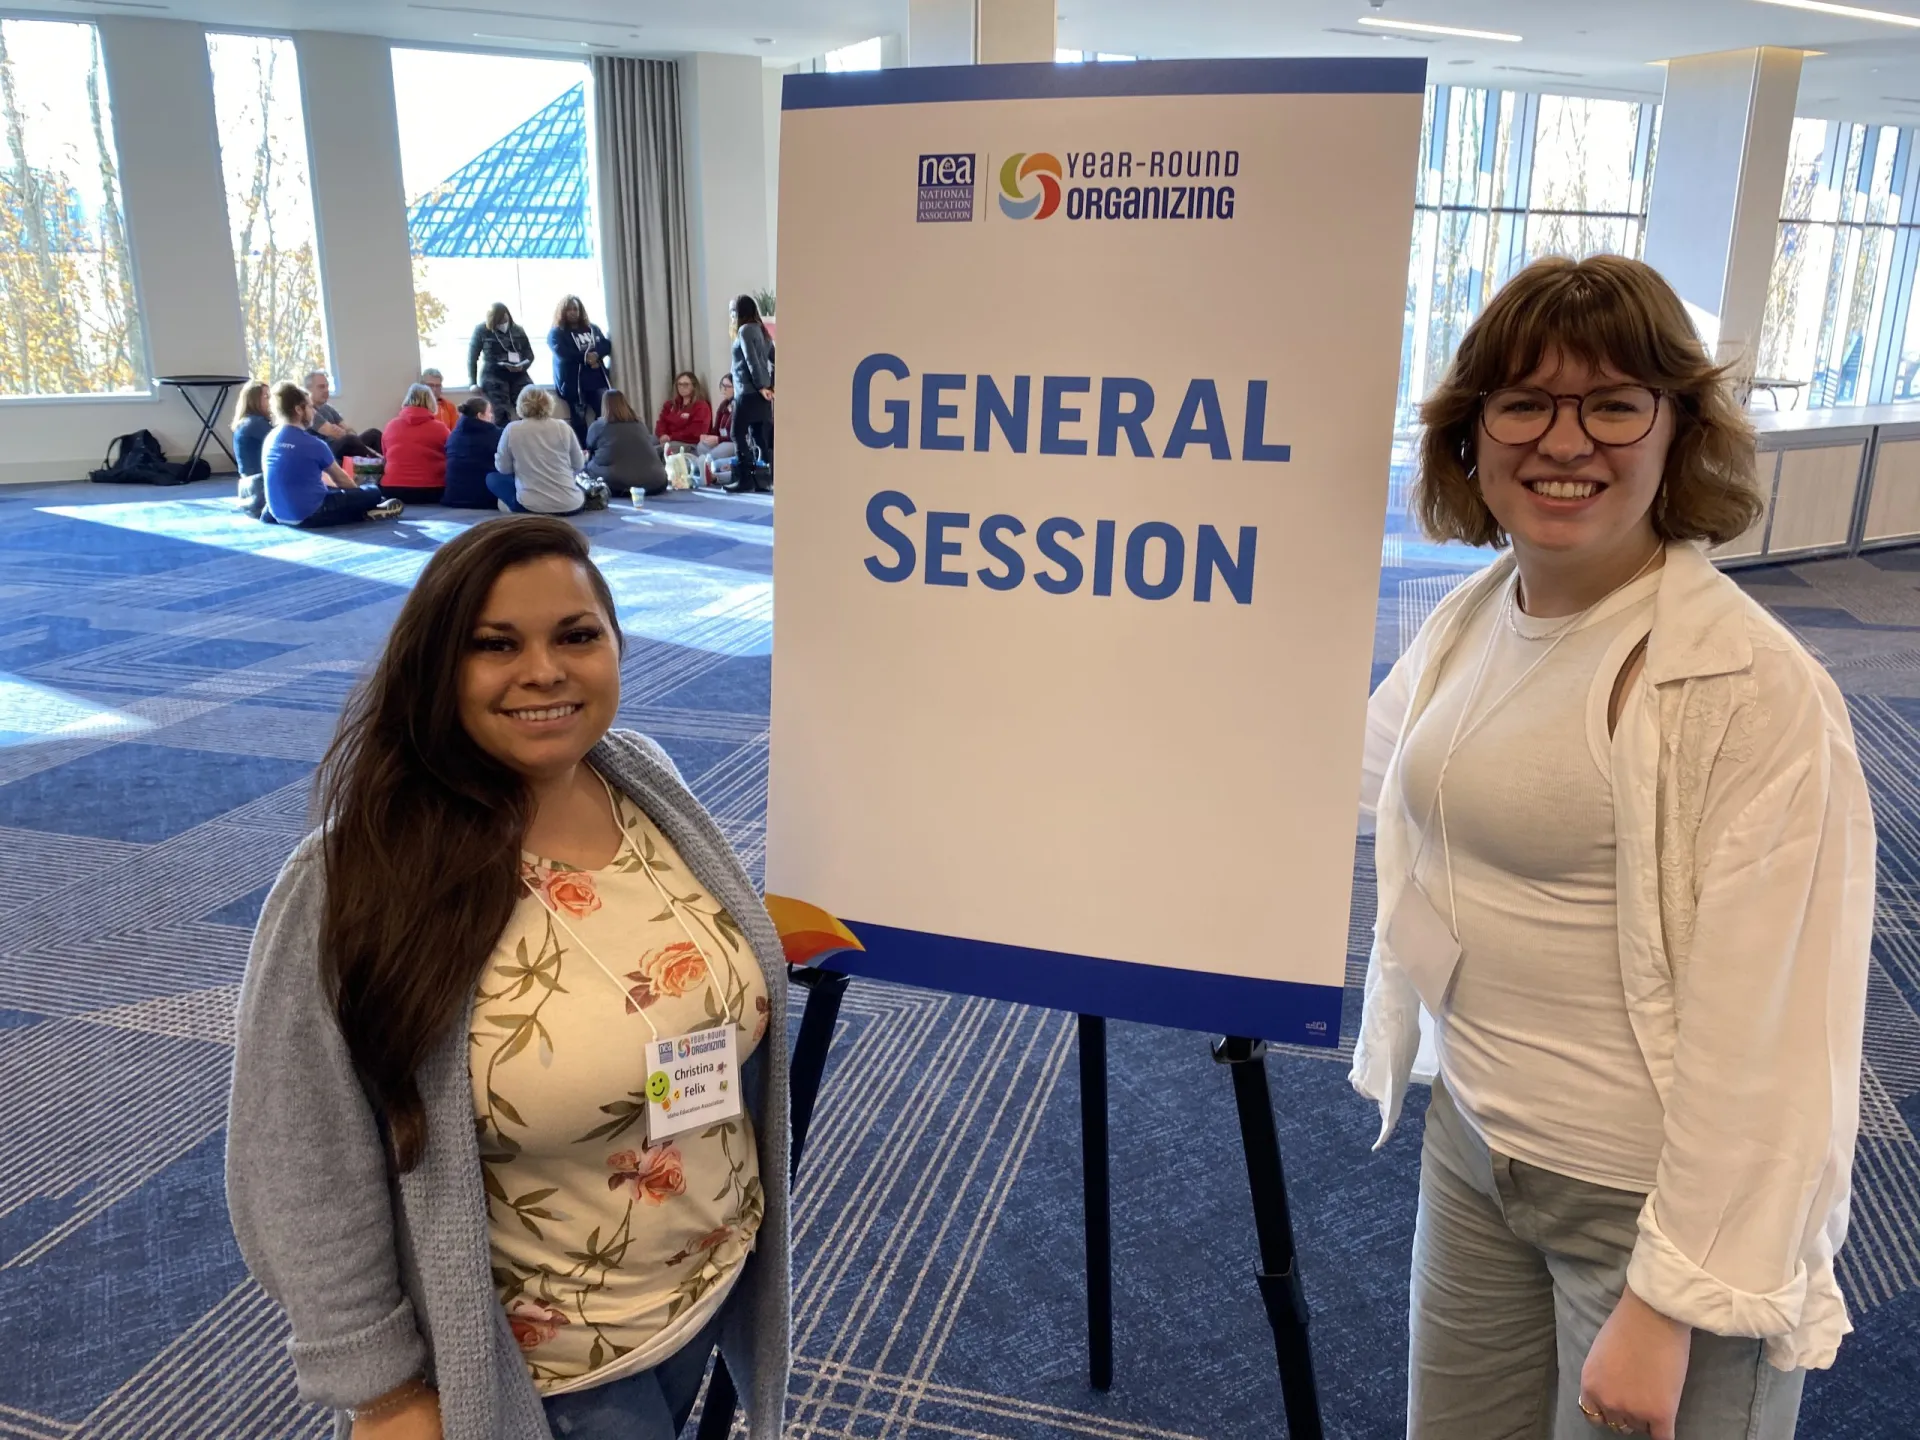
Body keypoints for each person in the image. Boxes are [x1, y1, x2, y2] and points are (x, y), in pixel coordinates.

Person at [1352, 254, 1874, 1440]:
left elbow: (1781, 1041)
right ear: (1470, 435)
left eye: (1613, 403)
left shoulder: (1749, 690)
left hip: (1654, 1207)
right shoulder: (1483, 609)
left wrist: (1671, 1297)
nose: (1564, 440)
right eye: (1524, 402)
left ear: (1677, 430)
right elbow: (1372, 777)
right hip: (1480, 1147)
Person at [226, 517, 791, 1440]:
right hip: (547, 1370)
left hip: (701, 1292)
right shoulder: (355, 877)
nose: (545, 671)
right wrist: (384, 1390)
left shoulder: (638, 778)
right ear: (436, 668)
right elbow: (298, 1157)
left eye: (576, 635)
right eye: (496, 646)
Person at [263, 382, 403, 527]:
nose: (314, 412)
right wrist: (360, 497)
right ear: (299, 409)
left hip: (277, 514)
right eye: (310, 407)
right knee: (372, 492)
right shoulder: (313, 444)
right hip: (310, 515)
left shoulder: (270, 439)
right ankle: (367, 510)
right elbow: (343, 481)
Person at [492, 386, 588, 515]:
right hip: (571, 505)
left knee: (492, 478)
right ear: (549, 404)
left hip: (531, 506)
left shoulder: (512, 429)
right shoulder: (563, 427)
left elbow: (503, 469)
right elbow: (578, 465)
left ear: (520, 405)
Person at [586, 389, 669, 501]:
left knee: (588, 466)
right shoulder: (640, 424)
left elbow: (589, 448)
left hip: (618, 484)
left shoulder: (598, 426)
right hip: (657, 481)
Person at [549, 295, 613, 440]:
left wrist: (596, 354)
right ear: (563, 311)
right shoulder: (556, 333)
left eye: (576, 309)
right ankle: (584, 451)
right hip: (574, 385)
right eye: (569, 309)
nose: (573, 312)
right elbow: (563, 353)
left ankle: (601, 446)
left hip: (596, 381)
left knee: (605, 414)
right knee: (579, 420)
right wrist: (585, 358)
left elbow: (606, 345)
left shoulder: (592, 328)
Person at [727, 296, 773, 493]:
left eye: (732, 311)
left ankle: (745, 479)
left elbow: (751, 360)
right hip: (761, 395)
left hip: (747, 392)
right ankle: (762, 481)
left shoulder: (745, 330)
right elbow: (777, 358)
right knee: (758, 436)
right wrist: (772, 386)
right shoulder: (763, 332)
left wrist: (763, 384)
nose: (730, 315)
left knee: (736, 433)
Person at [379, 384, 451, 503]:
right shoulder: (440, 428)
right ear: (431, 402)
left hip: (392, 489)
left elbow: (385, 456)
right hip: (431, 489)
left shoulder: (391, 425)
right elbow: (450, 455)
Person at [470, 303, 536, 424]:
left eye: (504, 319)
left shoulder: (518, 330)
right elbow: (472, 357)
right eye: (499, 321)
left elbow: (530, 355)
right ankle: (504, 439)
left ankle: (530, 436)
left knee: (532, 403)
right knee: (501, 413)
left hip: (518, 373)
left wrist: (522, 366)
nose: (503, 323)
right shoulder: (482, 330)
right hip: (494, 374)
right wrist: (473, 382)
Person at [305, 370, 384, 458]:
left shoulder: (327, 408)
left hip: (341, 444)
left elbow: (349, 430)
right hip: (325, 450)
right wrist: (343, 432)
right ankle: (380, 462)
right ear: (309, 389)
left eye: (327, 386)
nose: (326, 390)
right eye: (321, 387)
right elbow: (333, 432)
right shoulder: (308, 410)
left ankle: (391, 463)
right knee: (349, 440)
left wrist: (345, 432)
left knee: (373, 433)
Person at [443, 395, 504, 509]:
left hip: (453, 497)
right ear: (480, 416)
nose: (491, 416)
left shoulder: (453, 435)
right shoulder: (497, 434)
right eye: (489, 412)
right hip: (484, 498)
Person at [232, 380, 273, 517]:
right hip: (258, 486)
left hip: (249, 485)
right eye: (266, 397)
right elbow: (283, 444)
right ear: (254, 400)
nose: (271, 401)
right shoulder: (256, 424)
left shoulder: (247, 422)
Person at [655, 372, 711, 449]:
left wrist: (671, 437)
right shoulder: (670, 404)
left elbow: (695, 432)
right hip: (666, 438)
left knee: (655, 450)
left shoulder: (701, 406)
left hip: (687, 443)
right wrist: (662, 434)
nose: (682, 387)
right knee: (645, 443)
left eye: (686, 384)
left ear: (694, 386)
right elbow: (661, 423)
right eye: (679, 384)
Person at [699, 375, 738, 486]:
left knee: (714, 455)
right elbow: (716, 429)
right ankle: (706, 469)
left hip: (732, 442)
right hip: (721, 439)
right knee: (701, 446)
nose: (724, 390)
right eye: (722, 386)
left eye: (727, 386)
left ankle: (705, 470)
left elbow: (739, 434)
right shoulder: (724, 405)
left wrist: (719, 439)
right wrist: (707, 436)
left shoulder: (740, 406)